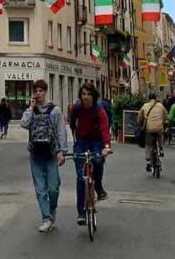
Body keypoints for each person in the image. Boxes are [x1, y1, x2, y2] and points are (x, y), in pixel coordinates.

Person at [20, 79, 67, 233]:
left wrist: (62, 152)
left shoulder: (55, 110)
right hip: (35, 154)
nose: (38, 94)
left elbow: (61, 131)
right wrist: (30, 108)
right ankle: (46, 218)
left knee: (53, 188)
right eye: (36, 91)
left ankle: (52, 209)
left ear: (45, 92)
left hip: (51, 154)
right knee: (40, 189)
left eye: (41, 91)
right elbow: (24, 124)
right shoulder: (32, 110)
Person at [69, 84, 112, 220]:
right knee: (81, 177)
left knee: (98, 161)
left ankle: (98, 186)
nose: (85, 97)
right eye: (83, 94)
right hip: (81, 141)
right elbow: (72, 124)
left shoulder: (99, 110)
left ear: (93, 96)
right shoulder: (76, 108)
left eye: (88, 94)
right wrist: (75, 139)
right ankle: (81, 212)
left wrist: (106, 146)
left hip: (96, 141)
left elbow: (105, 128)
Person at [137, 92, 168, 171]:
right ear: (156, 98)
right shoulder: (161, 106)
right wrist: (162, 122)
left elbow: (140, 117)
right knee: (160, 135)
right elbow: (165, 115)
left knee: (148, 144)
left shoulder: (145, 106)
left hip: (149, 129)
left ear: (149, 98)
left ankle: (148, 161)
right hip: (158, 127)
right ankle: (161, 149)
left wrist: (140, 124)